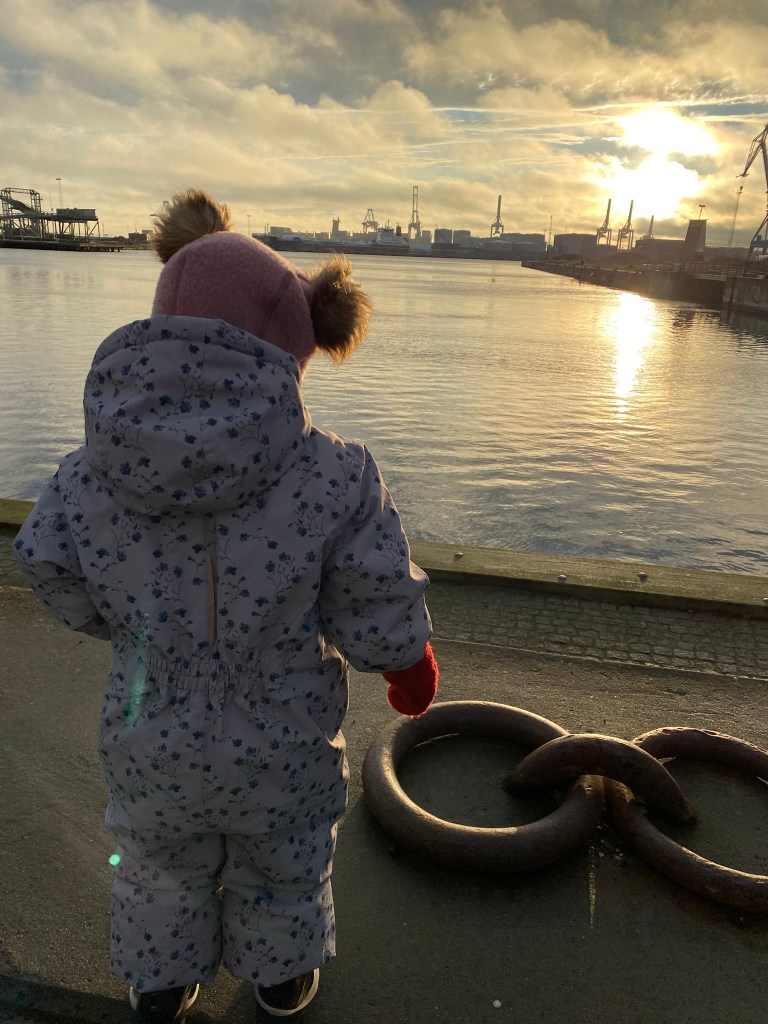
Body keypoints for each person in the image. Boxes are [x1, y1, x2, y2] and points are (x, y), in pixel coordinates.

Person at [14, 189, 438, 1021]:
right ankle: (279, 976)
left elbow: (48, 565)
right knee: (284, 858)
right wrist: (406, 665)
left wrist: (128, 629)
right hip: (284, 733)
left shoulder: (89, 469)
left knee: (157, 863)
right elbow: (372, 593)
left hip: (149, 728)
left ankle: (160, 982)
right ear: (291, 345)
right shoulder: (336, 474)